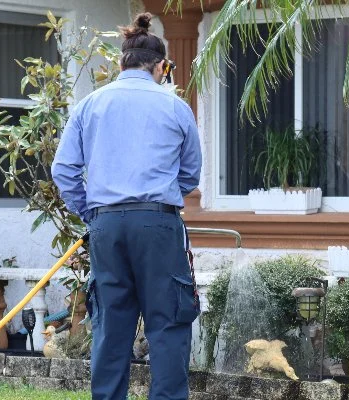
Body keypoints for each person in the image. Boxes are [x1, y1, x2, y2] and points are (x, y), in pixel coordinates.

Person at [52, 12, 202, 400]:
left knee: (110, 325)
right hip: (158, 224)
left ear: (121, 62)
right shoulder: (175, 108)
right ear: (160, 66)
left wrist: (91, 213)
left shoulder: (91, 105)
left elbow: (64, 169)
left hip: (106, 225)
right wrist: (159, 199)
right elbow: (190, 175)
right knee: (168, 323)